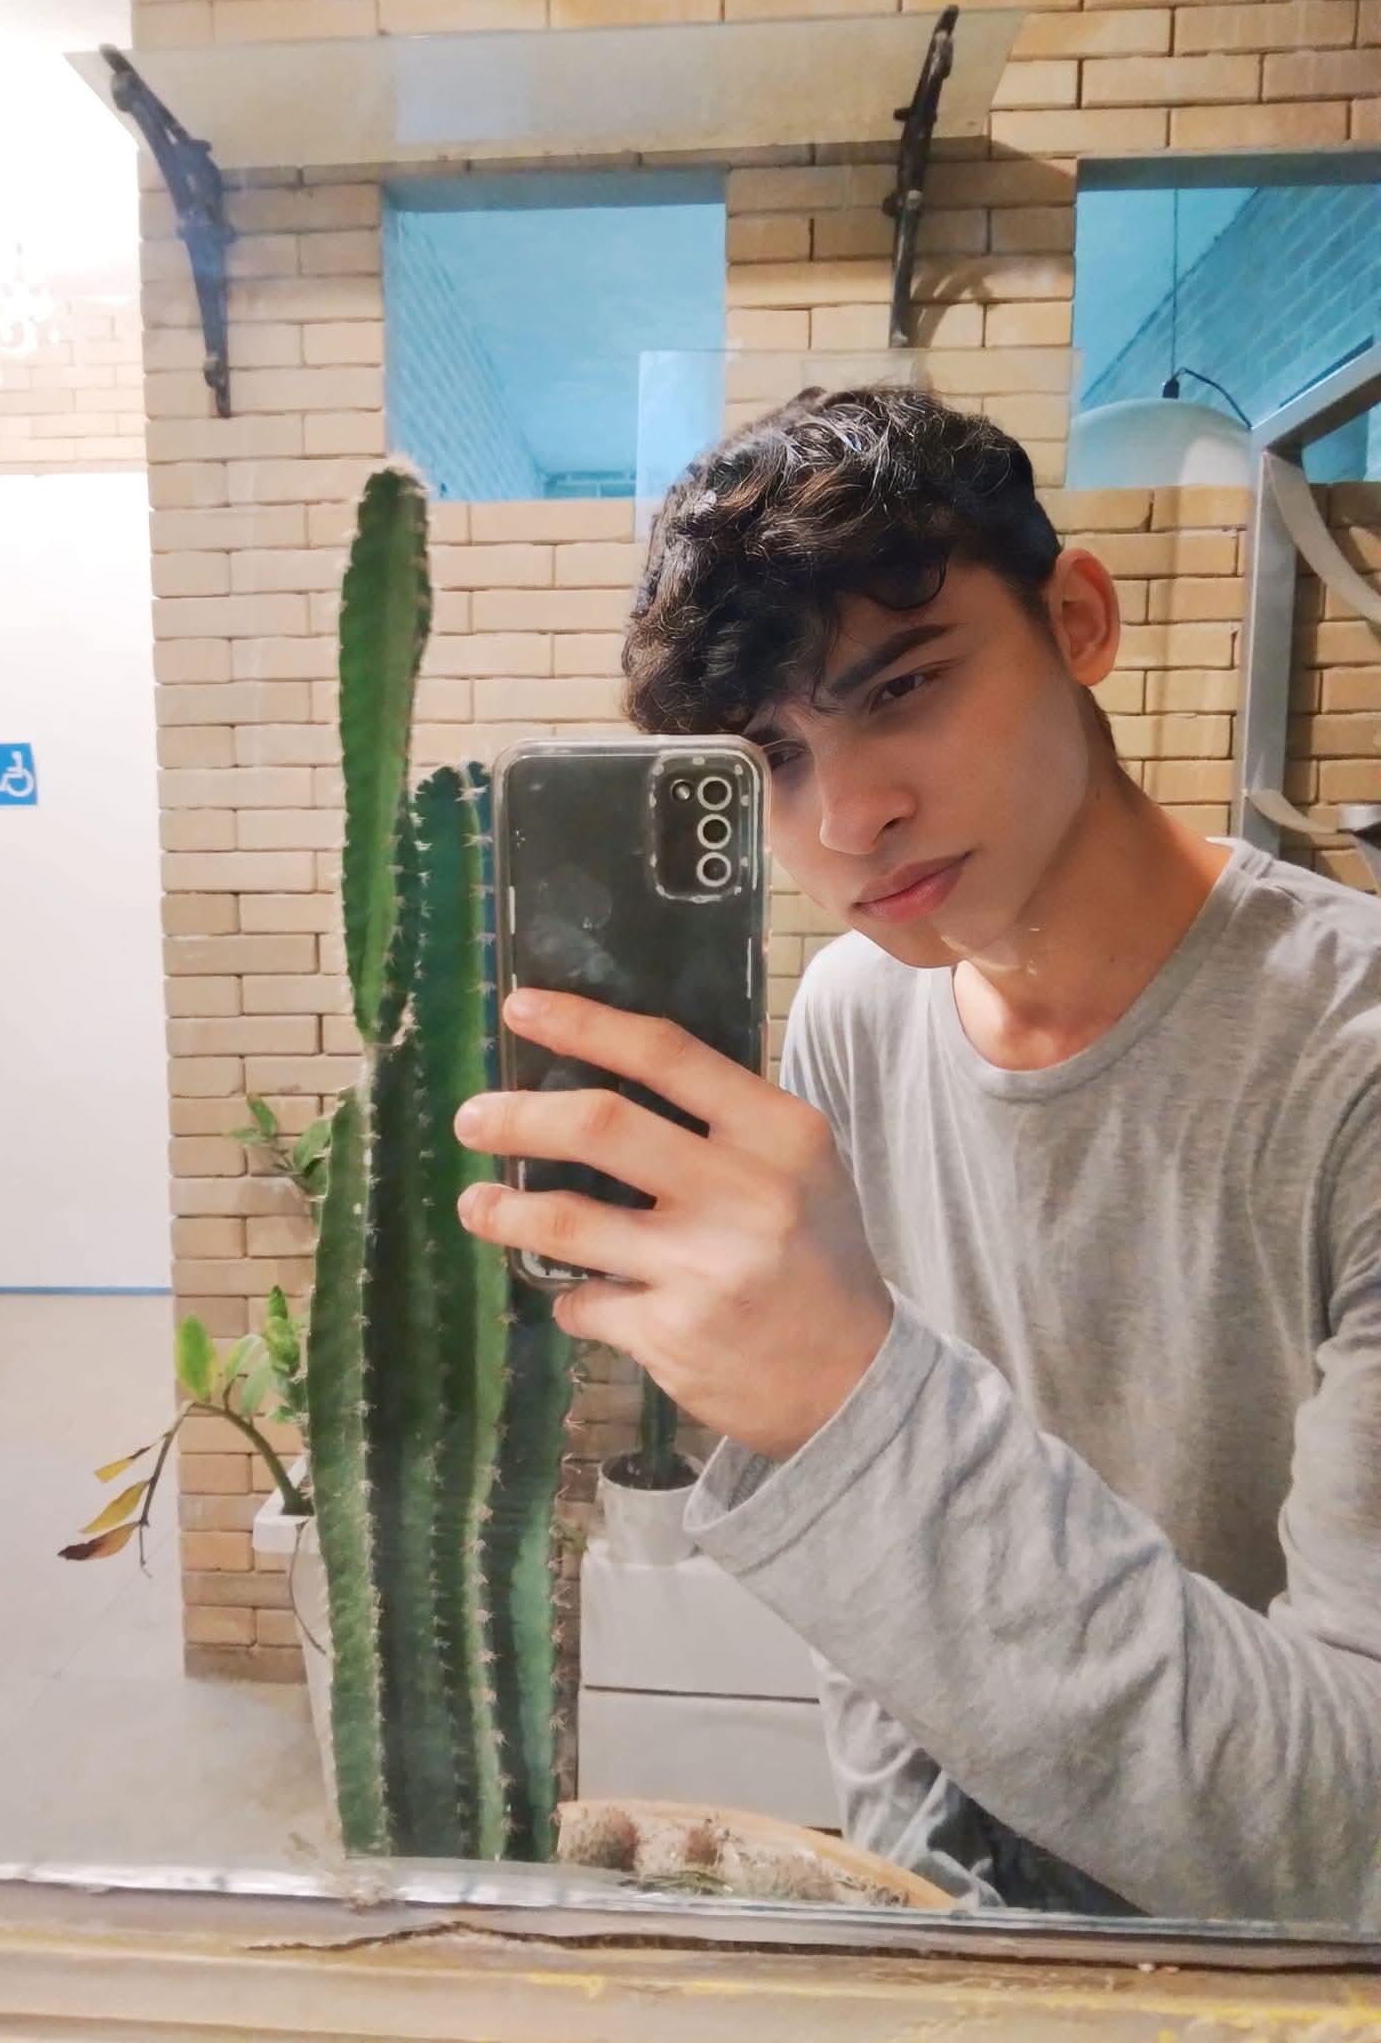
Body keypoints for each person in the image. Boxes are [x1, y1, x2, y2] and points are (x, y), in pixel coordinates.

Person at [453, 384, 1381, 1924]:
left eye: (901, 689)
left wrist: (840, 1403)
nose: (851, 819)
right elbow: (887, 1654)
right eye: (773, 758)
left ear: (1078, 622)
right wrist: (925, 1907)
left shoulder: (1348, 1065)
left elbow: (1358, 1844)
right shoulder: (856, 1012)